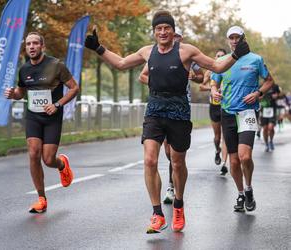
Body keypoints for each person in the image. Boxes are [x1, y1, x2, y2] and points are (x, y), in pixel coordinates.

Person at [85, 11, 249, 233]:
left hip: (179, 112)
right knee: (150, 160)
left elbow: (216, 66)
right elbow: (122, 63)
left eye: (167, 28)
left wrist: (236, 55)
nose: (162, 32)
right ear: (154, 32)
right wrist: (98, 48)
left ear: (173, 31)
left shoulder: (186, 51)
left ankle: (179, 205)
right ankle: (157, 213)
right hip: (154, 110)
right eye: (158, 29)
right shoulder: (147, 51)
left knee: (177, 163)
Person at [5, 32, 79, 213]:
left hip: (52, 117)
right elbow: (21, 93)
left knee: (48, 159)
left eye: (35, 43)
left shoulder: (56, 65)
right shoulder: (24, 70)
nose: (31, 47)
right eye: (28, 44)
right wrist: (12, 94)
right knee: (33, 153)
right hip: (33, 117)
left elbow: (74, 87)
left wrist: (57, 104)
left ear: (42, 46)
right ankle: (41, 199)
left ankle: (61, 164)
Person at [211, 26, 274, 212]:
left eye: (238, 37)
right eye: (231, 37)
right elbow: (214, 82)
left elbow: (269, 81)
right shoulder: (222, 61)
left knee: (245, 156)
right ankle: (240, 193)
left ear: (243, 38)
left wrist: (258, 93)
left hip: (248, 112)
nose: (234, 40)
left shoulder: (256, 59)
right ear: (228, 40)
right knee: (233, 161)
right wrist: (214, 91)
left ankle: (249, 188)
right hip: (228, 113)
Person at [139, 28, 204, 204]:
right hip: (159, 107)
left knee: (177, 158)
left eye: (177, 36)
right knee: (165, 153)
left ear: (180, 38)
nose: (173, 39)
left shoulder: (187, 54)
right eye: (172, 36)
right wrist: (158, 79)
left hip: (181, 107)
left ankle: (174, 191)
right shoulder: (156, 54)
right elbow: (142, 75)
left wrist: (192, 76)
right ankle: (169, 187)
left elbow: (201, 76)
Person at [200, 48, 229, 175]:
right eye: (218, 55)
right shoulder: (209, 71)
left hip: (226, 106)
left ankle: (224, 163)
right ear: (215, 57)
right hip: (214, 106)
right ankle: (217, 150)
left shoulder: (229, 69)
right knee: (217, 137)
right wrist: (213, 89)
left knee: (225, 136)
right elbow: (201, 86)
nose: (220, 58)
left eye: (223, 56)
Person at [260, 83, 280, 151]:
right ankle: (266, 144)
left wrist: (276, 96)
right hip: (263, 109)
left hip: (272, 109)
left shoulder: (275, 86)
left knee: (270, 127)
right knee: (265, 128)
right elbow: (258, 96)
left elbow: (278, 95)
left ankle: (271, 141)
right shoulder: (261, 85)